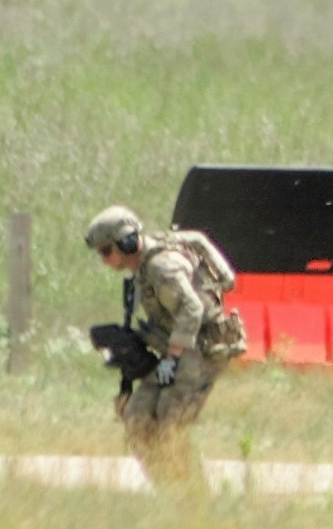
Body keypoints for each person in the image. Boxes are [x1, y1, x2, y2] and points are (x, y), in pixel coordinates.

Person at [84, 205, 244, 488]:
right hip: (181, 349)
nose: (104, 260)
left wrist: (172, 357)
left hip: (200, 349)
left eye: (107, 251)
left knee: (170, 423)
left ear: (127, 243)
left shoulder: (161, 268)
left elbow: (192, 309)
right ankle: (170, 490)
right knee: (138, 416)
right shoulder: (144, 267)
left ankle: (191, 497)